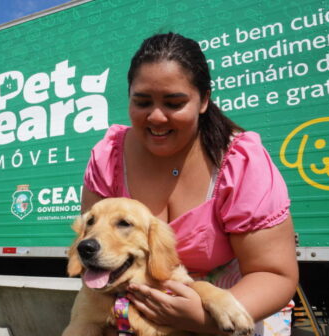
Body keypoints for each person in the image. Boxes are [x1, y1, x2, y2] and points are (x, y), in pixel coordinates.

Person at [81, 32, 298, 335]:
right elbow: (93, 259)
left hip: (232, 319)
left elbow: (274, 274)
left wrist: (200, 319)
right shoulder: (108, 157)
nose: (156, 117)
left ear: (204, 100)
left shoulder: (240, 162)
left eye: (174, 103)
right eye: (142, 101)